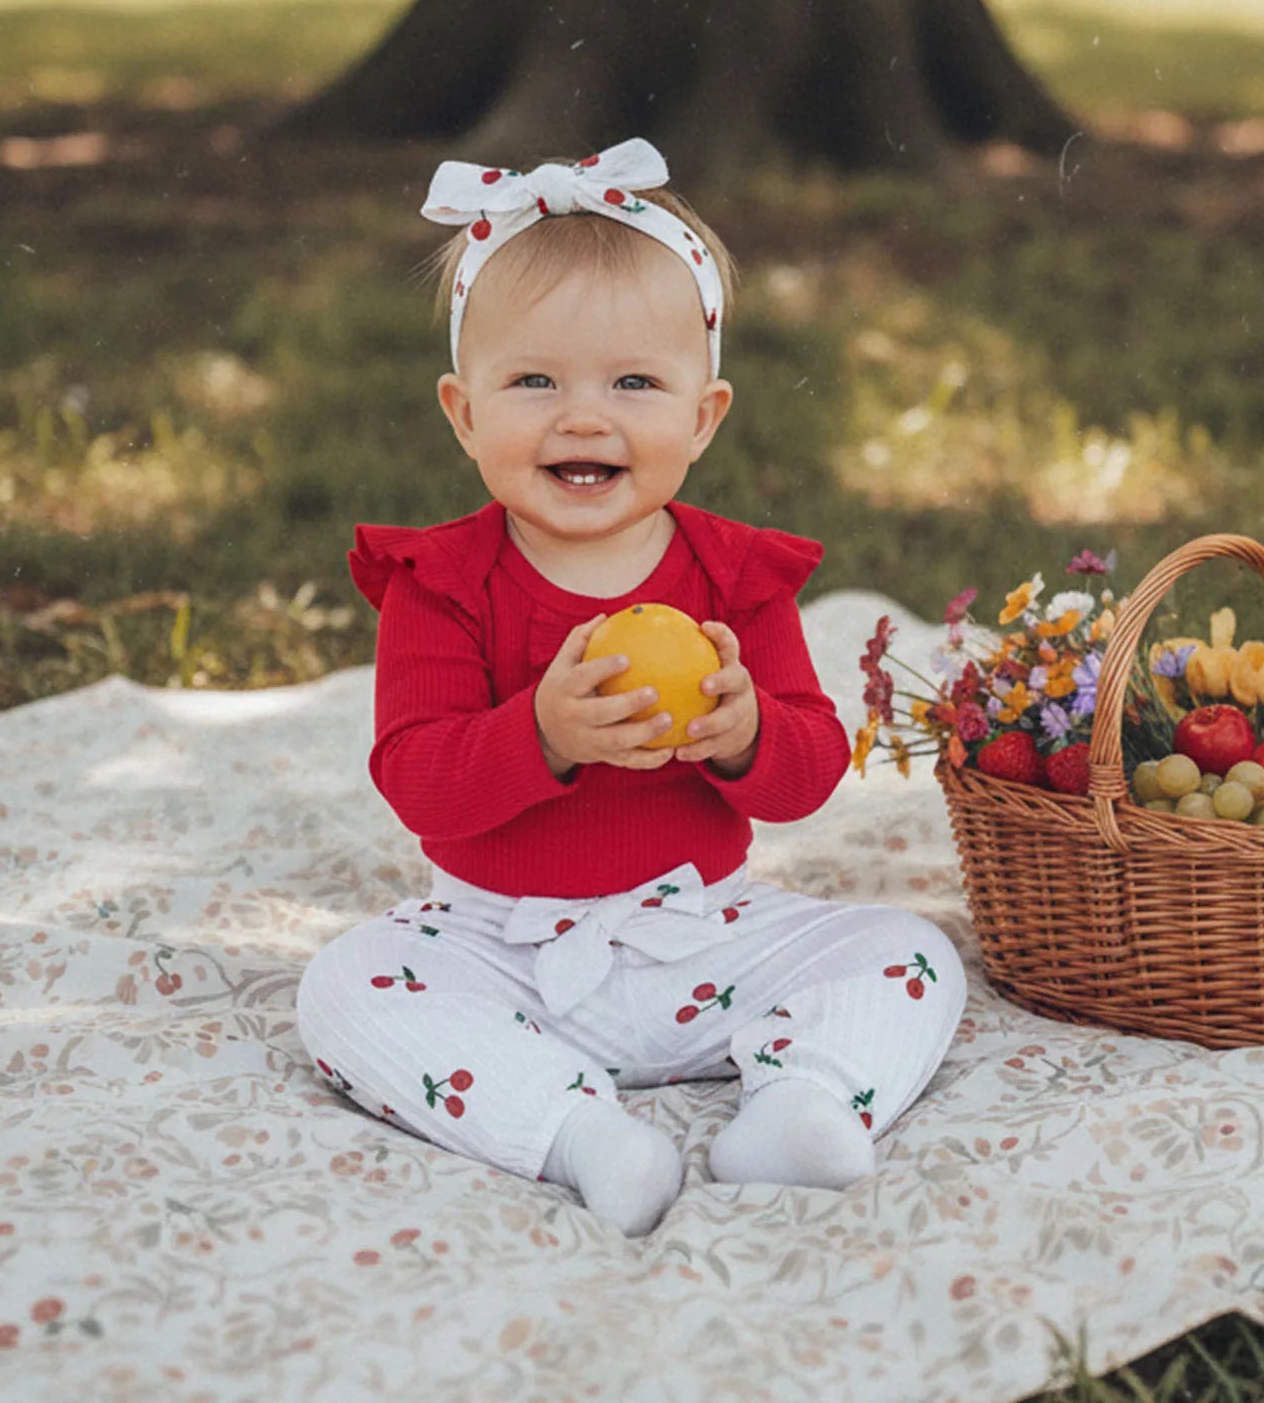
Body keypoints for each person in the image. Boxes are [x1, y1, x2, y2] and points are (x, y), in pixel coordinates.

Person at [294, 139, 966, 1238]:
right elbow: (418, 780)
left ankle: (799, 1105)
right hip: (500, 948)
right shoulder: (443, 581)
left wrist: (746, 732)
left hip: (702, 936)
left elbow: (805, 775)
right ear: (463, 413)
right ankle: (579, 1134)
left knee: (909, 952)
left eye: (634, 383)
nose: (583, 417)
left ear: (702, 417)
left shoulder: (732, 578)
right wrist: (542, 734)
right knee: (345, 984)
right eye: (534, 381)